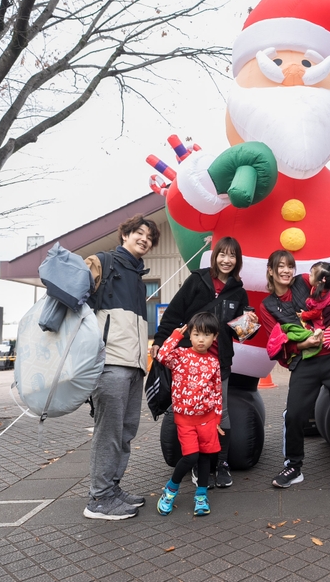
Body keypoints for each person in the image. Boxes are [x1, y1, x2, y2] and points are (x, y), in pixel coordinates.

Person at [152, 236, 256, 488]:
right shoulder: (197, 280)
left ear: (237, 260)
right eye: (222, 254)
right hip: (190, 360)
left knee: (222, 413)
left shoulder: (238, 291)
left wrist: (248, 322)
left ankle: (221, 464)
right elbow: (175, 312)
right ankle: (198, 465)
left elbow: (238, 334)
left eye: (232, 256)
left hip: (220, 362)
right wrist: (159, 339)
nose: (226, 260)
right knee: (192, 412)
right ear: (215, 256)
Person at [260, 250, 330, 490]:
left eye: (289, 266)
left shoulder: (305, 280)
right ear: (271, 271)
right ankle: (294, 466)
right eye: (280, 267)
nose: (286, 271)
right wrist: (301, 345)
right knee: (294, 414)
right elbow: (274, 344)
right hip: (305, 360)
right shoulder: (267, 305)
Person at [83, 213, 160, 521]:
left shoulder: (137, 279)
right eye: (138, 233)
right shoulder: (104, 262)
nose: (144, 239)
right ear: (125, 235)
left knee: (126, 431)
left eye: (149, 237)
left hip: (134, 365)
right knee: (109, 432)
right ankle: (98, 498)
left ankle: (112, 489)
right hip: (110, 363)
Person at [154, 312, 223, 517]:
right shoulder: (180, 355)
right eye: (196, 334)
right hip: (185, 419)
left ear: (215, 337)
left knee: (204, 458)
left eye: (207, 335)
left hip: (207, 418)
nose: (201, 339)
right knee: (190, 456)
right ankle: (171, 489)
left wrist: (217, 419)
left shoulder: (213, 362)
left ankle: (201, 495)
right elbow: (161, 356)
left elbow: (217, 392)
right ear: (190, 336)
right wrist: (175, 335)